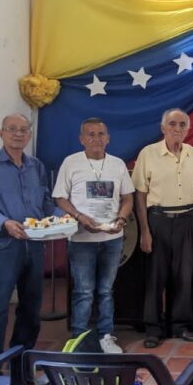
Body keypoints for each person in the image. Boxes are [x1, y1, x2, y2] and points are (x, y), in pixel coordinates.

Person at [0, 114, 55, 368]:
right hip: (4, 244)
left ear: (29, 134)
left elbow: (47, 203)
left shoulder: (36, 166)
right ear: (1, 133)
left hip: (35, 243)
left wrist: (64, 220)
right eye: (12, 129)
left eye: (23, 130)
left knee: (31, 307)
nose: (18, 134)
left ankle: (22, 360)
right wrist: (5, 222)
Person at [53, 118, 134, 353]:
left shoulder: (117, 164)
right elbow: (60, 197)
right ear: (81, 139)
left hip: (111, 239)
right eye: (90, 134)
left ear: (108, 138)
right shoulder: (71, 163)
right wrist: (79, 216)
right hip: (81, 239)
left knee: (106, 290)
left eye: (100, 134)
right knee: (83, 291)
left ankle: (106, 336)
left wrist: (120, 219)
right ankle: (79, 339)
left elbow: (128, 198)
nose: (96, 138)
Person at [132, 108, 193, 348]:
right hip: (158, 221)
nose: (177, 129)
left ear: (188, 129)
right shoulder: (149, 154)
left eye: (182, 125)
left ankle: (180, 325)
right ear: (163, 127)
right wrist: (144, 231)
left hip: (188, 220)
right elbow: (140, 196)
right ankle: (153, 328)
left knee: (184, 277)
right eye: (172, 124)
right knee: (156, 276)